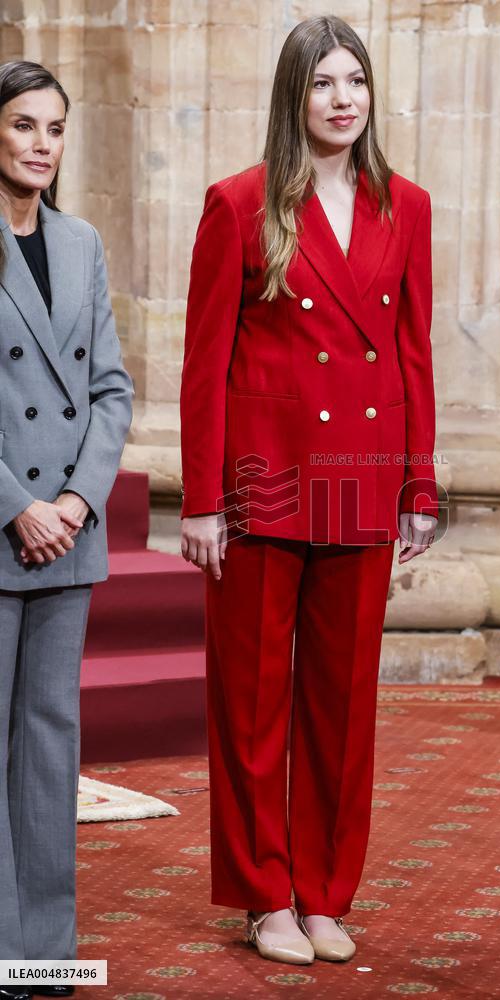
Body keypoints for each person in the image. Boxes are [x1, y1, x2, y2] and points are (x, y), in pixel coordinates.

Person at [180, 15, 439, 966]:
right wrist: (203, 500)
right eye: (324, 82)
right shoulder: (238, 203)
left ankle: (325, 892)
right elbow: (204, 364)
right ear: (296, 97)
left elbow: (412, 351)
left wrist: (419, 486)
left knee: (342, 704)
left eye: (355, 81)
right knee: (252, 706)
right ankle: (264, 895)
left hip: (364, 483)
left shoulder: (404, 204)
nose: (343, 98)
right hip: (264, 483)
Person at [0, 61, 133, 996]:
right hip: (3, 527)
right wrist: (17, 506)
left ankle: (42, 955)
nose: (41, 144)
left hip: (69, 536)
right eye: (21, 126)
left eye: (53, 128)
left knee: (51, 747)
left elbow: (112, 390)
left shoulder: (81, 242)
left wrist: (79, 503)